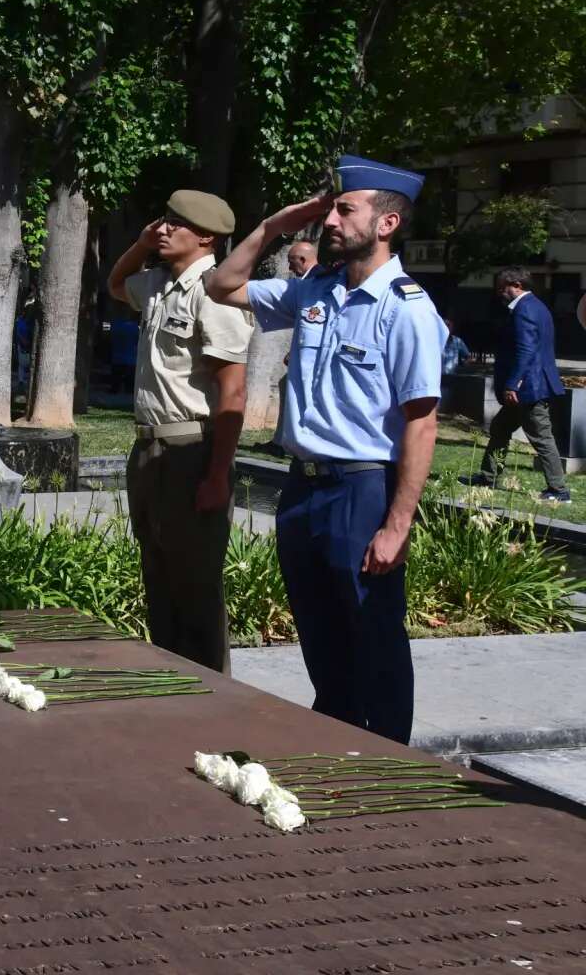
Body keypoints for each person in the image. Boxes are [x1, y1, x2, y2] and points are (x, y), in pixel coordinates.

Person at [206, 154, 445, 745]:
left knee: (374, 635)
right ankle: (337, 746)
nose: (330, 220)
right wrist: (275, 226)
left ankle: (390, 762)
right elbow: (221, 285)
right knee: (320, 631)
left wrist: (397, 524)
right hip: (303, 488)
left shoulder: (406, 308)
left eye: (345, 209)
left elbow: (422, 422)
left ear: (386, 224)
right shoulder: (317, 291)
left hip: (362, 487)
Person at [106, 191, 254, 674]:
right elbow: (115, 284)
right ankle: (172, 680)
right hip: (149, 447)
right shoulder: (158, 283)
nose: (162, 230)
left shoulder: (214, 293)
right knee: (159, 574)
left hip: (192, 448)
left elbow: (232, 394)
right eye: (163, 221)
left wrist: (216, 475)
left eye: (174, 224)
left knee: (196, 585)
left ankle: (213, 691)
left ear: (206, 236)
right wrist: (140, 241)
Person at [469, 266, 569, 502]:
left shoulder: (525, 310)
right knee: (501, 428)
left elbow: (526, 350)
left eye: (503, 287)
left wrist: (513, 384)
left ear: (518, 286)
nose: (500, 293)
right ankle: (488, 476)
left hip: (529, 388)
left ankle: (559, 490)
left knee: (541, 437)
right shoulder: (537, 307)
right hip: (529, 385)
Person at [108, 316, 140, 394]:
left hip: (118, 357)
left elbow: (111, 338)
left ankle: (115, 390)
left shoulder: (115, 325)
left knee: (116, 377)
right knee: (129, 378)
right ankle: (128, 391)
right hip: (131, 358)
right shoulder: (136, 327)